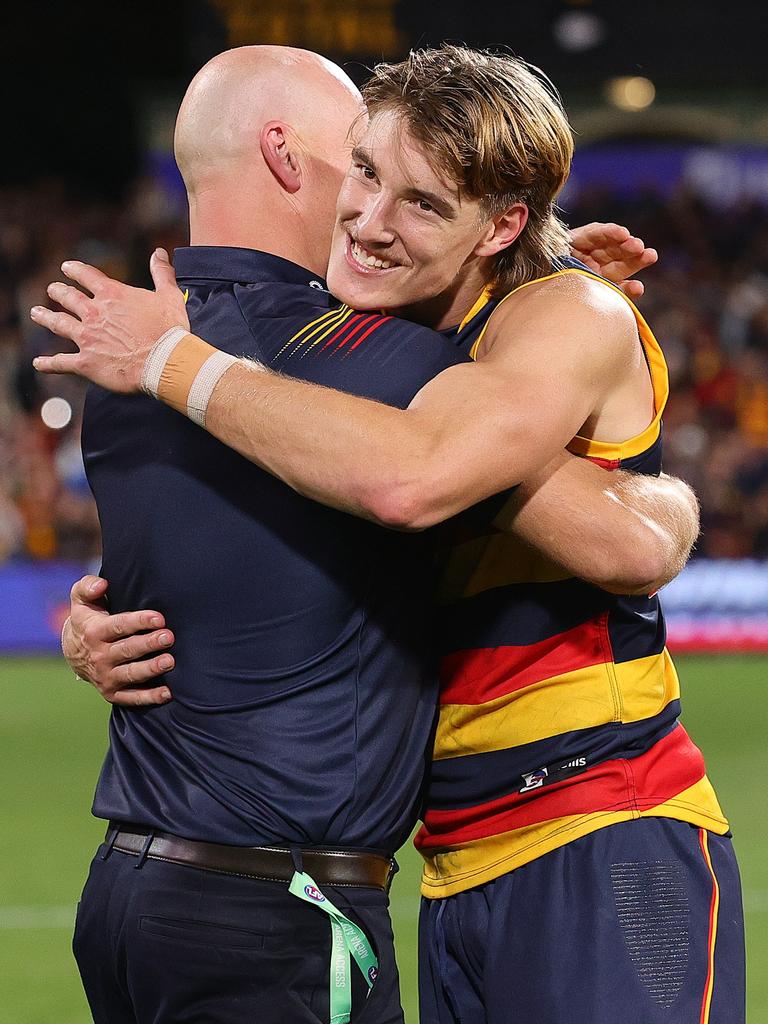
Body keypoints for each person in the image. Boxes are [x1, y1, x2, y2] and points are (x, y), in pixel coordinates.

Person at [31, 46, 732, 1024]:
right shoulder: (371, 353)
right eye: (361, 170)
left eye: (424, 203)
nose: (366, 218)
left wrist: (171, 361)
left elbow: (618, 541)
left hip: (598, 822)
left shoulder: (543, 317)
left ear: (500, 224)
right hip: (451, 862)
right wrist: (95, 619)